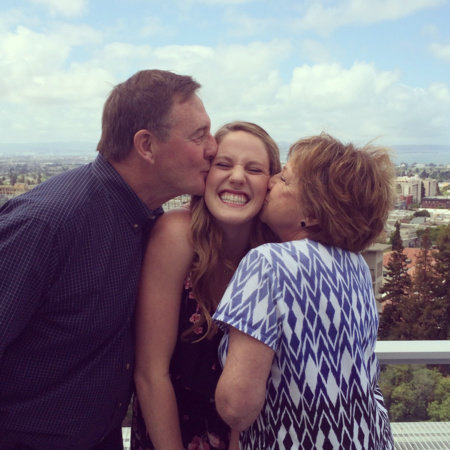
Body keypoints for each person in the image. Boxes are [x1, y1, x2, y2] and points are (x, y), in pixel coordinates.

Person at [0, 69, 217, 449]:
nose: (213, 147)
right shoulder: (47, 224)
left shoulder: (149, 222)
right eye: (198, 135)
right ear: (146, 146)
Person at [213, 133, 395, 449]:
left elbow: (237, 409)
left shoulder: (267, 262)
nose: (270, 182)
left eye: (284, 179)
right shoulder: (356, 268)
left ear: (311, 213)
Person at [132, 121, 281, 450]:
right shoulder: (177, 235)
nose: (237, 177)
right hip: (173, 434)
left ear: (270, 184)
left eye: (254, 169)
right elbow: (150, 374)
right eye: (223, 164)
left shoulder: (275, 254)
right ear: (205, 175)